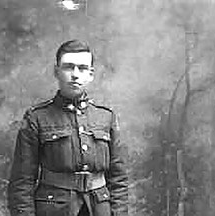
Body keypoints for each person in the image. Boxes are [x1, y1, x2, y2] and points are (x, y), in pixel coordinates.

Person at [7, 40, 128, 216]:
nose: (75, 74)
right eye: (68, 67)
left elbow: (118, 179)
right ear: (56, 72)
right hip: (54, 209)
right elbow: (22, 182)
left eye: (82, 68)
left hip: (99, 209)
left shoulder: (106, 117)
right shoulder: (37, 118)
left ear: (91, 74)